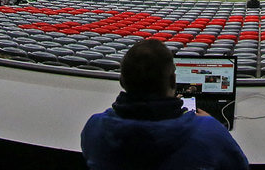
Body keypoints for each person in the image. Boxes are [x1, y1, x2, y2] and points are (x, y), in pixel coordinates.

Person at [81, 38, 249, 170]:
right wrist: (212, 124)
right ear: (173, 81)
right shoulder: (210, 132)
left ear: (122, 81)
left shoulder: (94, 128)